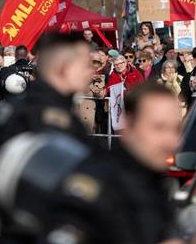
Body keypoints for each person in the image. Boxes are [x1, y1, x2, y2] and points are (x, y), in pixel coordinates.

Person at [40, 83, 183, 244]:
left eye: (176, 129)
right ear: (127, 126)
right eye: (159, 128)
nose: (171, 141)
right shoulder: (95, 186)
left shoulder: (156, 184)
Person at [0, 34, 94, 244]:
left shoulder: (26, 107)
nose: (90, 72)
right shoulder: (49, 118)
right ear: (65, 68)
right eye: (86, 65)